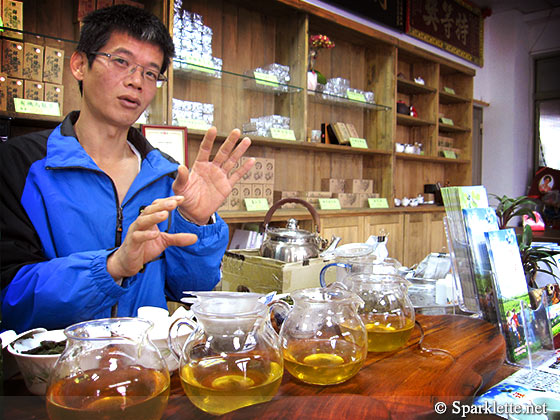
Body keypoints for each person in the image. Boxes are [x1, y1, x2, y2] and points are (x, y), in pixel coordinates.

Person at [0, 5, 254, 333]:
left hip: (146, 369)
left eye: (151, 72)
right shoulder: (21, 164)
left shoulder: (167, 175)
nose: (136, 82)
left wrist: (196, 222)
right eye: (121, 62)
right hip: (58, 372)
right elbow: (9, 297)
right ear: (79, 64)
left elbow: (188, 291)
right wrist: (112, 267)